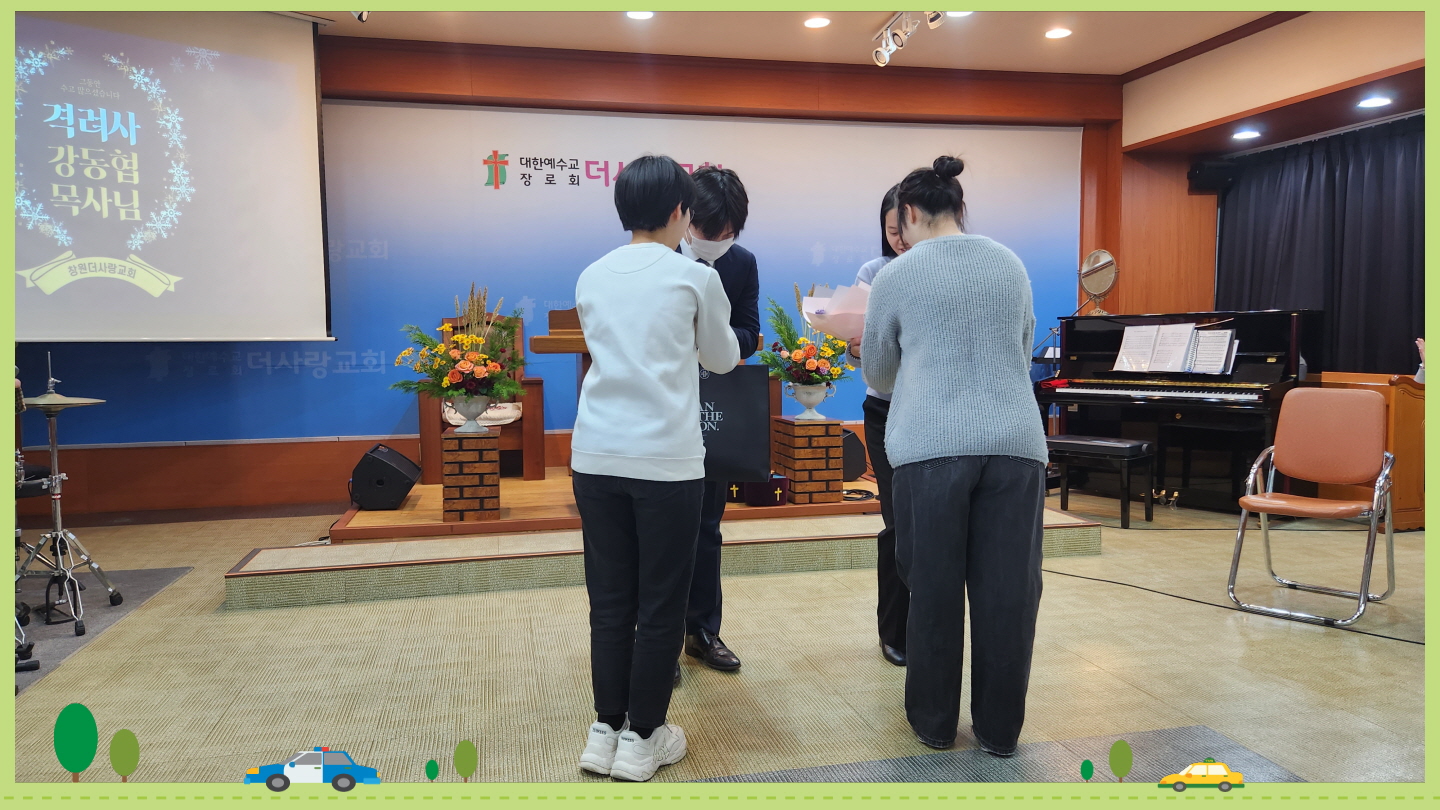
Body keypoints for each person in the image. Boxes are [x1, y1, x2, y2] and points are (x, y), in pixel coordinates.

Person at [861, 155, 1048, 756]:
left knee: (935, 591)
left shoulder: (896, 275)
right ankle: (1000, 730)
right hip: (1016, 446)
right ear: (960, 209)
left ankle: (935, 723)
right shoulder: (1010, 264)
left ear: (909, 213)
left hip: (930, 448)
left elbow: (878, 373)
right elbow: (1022, 347)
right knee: (1009, 595)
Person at [571, 155, 741, 782]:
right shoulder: (694, 277)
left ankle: (604, 730)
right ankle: (643, 737)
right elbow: (723, 360)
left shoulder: (591, 275)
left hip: (595, 456)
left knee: (610, 600)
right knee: (662, 602)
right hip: (666, 462)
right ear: (678, 211)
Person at [676, 165, 761, 681]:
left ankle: (703, 631)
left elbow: (749, 330)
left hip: (715, 406)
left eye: (728, 233)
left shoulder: (742, 263)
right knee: (664, 529)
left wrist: (720, 343)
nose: (717, 241)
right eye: (710, 231)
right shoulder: (660, 256)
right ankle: (659, 637)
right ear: (686, 218)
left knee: (708, 525)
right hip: (666, 407)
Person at [844, 185, 911, 667]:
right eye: (891, 231)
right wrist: (854, 346)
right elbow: (856, 349)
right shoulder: (874, 272)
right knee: (897, 518)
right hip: (885, 408)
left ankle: (929, 625)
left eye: (904, 229)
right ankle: (894, 631)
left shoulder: (940, 270)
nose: (899, 240)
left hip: (933, 410)